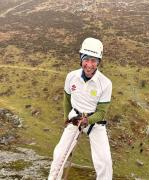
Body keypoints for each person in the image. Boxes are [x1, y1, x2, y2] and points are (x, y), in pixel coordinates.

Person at [48, 37, 113, 180]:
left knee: (105, 162)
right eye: (86, 59)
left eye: (94, 61)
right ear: (81, 58)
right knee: (59, 155)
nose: (89, 65)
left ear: (98, 62)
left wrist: (88, 120)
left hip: (94, 123)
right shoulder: (71, 77)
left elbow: (101, 112)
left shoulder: (105, 83)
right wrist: (67, 117)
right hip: (75, 118)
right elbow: (67, 98)